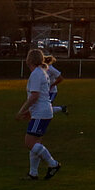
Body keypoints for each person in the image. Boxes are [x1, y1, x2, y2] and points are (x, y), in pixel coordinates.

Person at [14, 49, 61, 180]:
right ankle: (33, 173)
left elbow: (34, 96)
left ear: (29, 60)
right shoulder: (42, 72)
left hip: (41, 112)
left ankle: (53, 164)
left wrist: (21, 110)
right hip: (42, 111)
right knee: (35, 143)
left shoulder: (36, 74)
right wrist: (29, 112)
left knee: (29, 142)